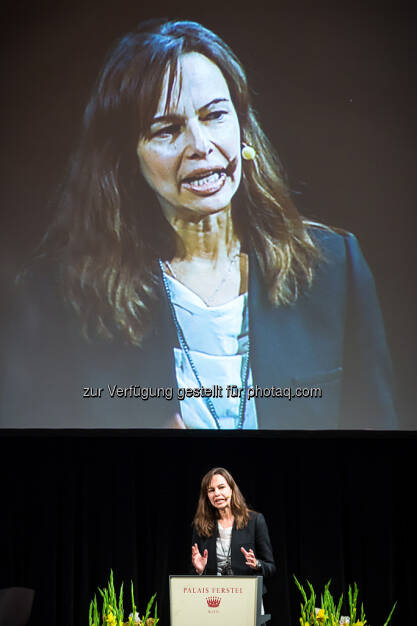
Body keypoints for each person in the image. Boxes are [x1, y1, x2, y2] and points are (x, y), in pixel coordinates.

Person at [1, 19, 396, 429]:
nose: (201, 146)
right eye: (168, 130)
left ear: (243, 128)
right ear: (126, 159)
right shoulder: (62, 296)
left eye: (215, 116)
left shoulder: (333, 268)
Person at [191, 467, 276, 612]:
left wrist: (257, 564)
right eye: (211, 490)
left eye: (221, 487)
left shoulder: (255, 521)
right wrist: (199, 570)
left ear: (231, 489)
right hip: (214, 602)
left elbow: (270, 567)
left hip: (246, 599)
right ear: (207, 496)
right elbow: (194, 571)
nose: (217, 493)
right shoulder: (201, 526)